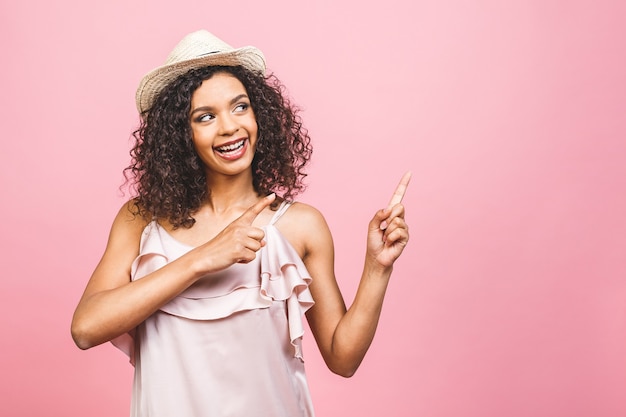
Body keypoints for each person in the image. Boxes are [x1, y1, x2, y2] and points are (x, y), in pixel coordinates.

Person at [71, 29, 410, 417]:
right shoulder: (140, 220)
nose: (229, 127)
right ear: (182, 135)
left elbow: (342, 358)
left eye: (240, 107)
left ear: (259, 114)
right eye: (205, 117)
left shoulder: (299, 226)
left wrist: (377, 268)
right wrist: (203, 258)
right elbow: (85, 328)